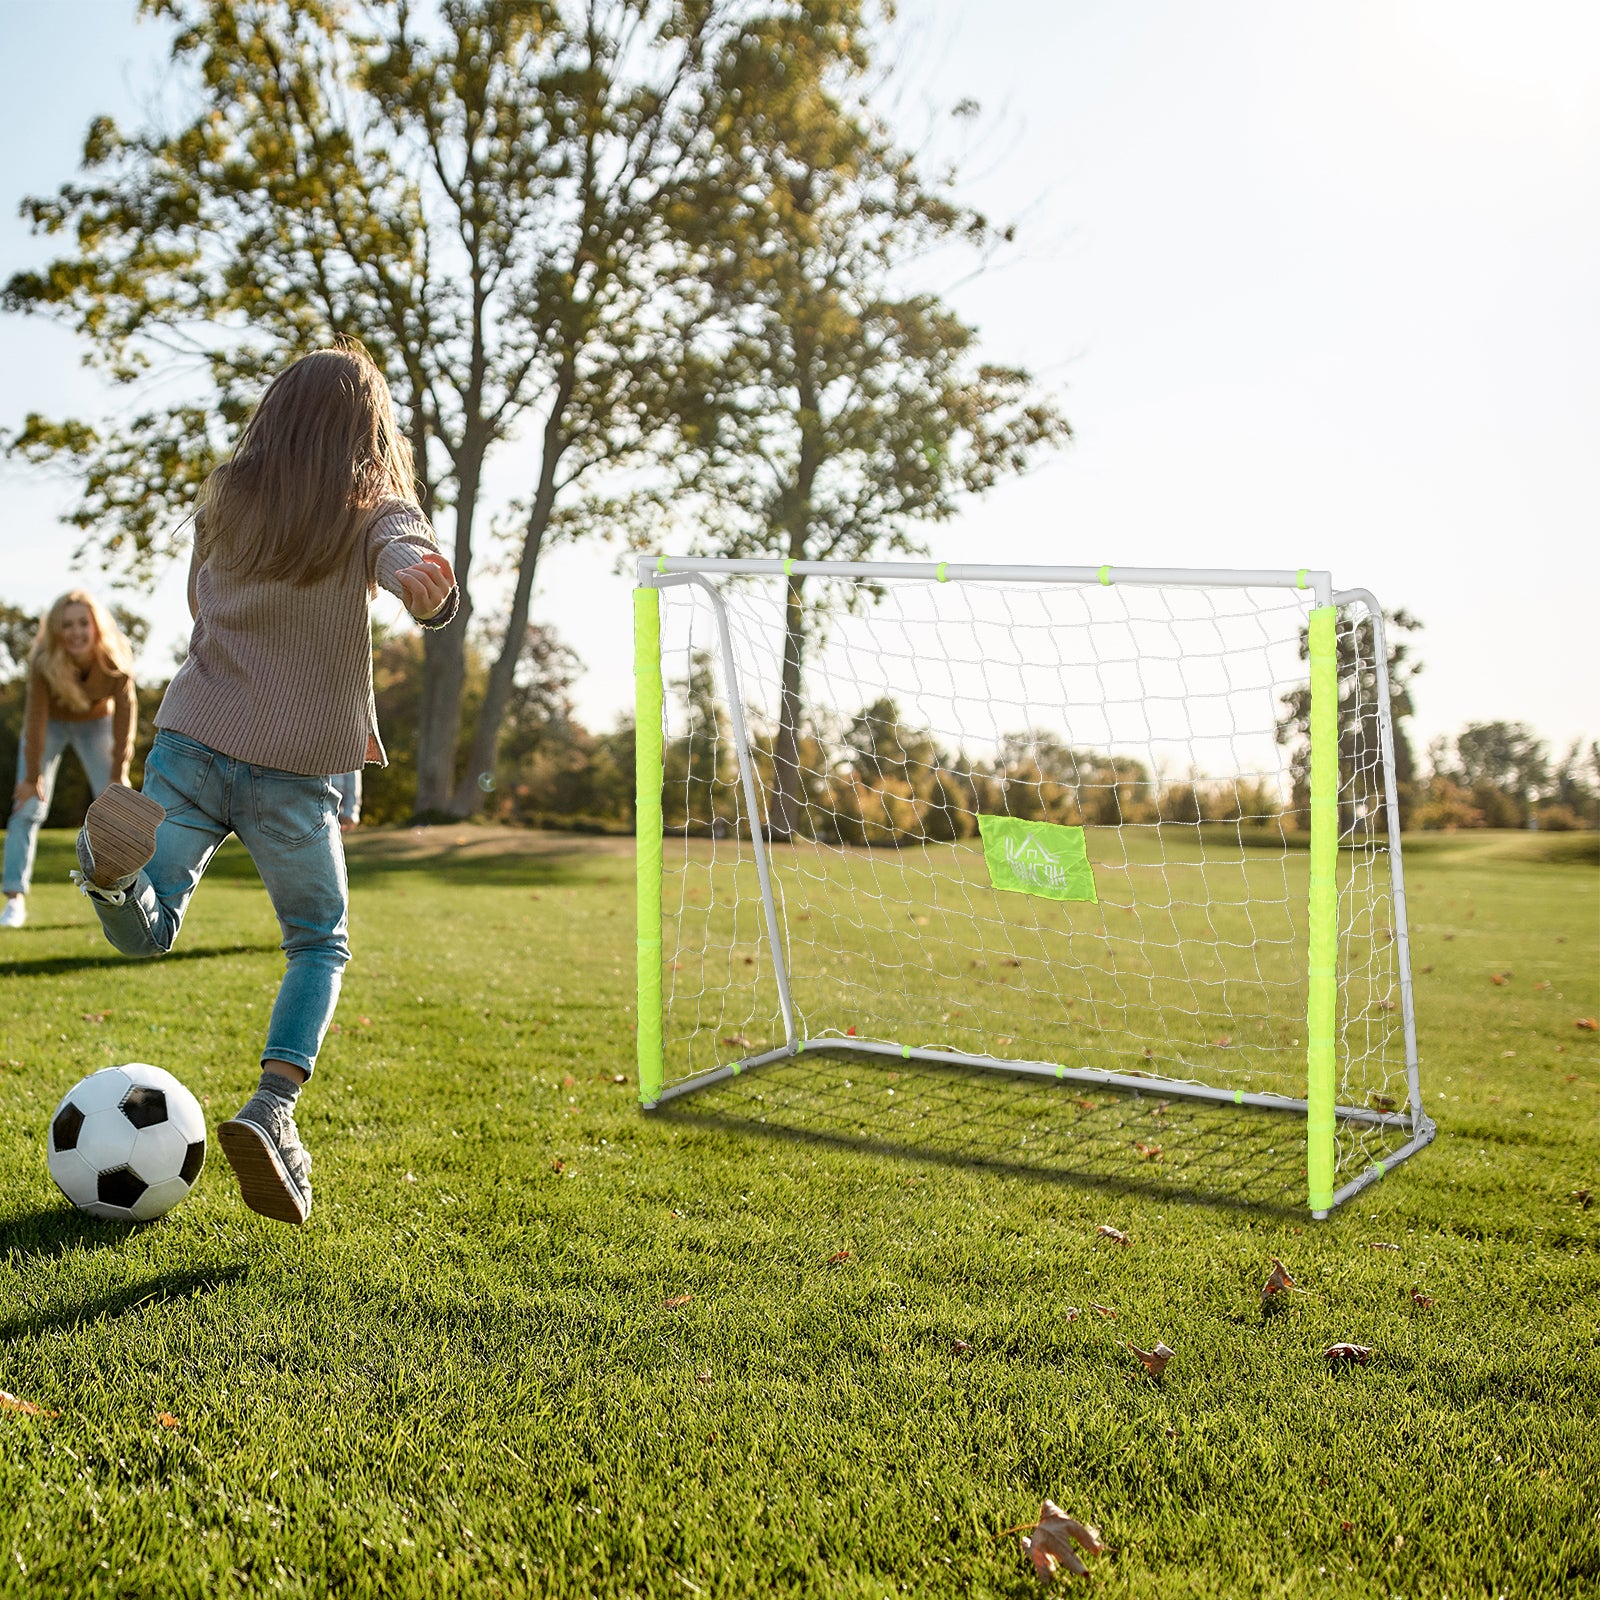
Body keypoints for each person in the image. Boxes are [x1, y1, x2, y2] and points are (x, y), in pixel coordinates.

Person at [71, 341, 458, 1226]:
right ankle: (273, 1107)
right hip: (294, 769)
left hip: (195, 735)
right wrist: (420, 587)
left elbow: (200, 605)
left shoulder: (225, 496)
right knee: (318, 941)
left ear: (276, 414)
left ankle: (110, 876)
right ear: (369, 427)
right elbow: (410, 553)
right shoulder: (372, 507)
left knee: (153, 927)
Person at [2, 591, 137, 930]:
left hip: (97, 725)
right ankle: (14, 899)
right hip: (52, 726)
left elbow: (126, 717)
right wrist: (32, 777)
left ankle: (129, 892)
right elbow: (34, 720)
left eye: (83, 624)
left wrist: (118, 771)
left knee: (117, 807)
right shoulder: (44, 660)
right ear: (56, 630)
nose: (76, 632)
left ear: (96, 627)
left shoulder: (115, 658)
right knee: (28, 806)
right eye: (67, 625)